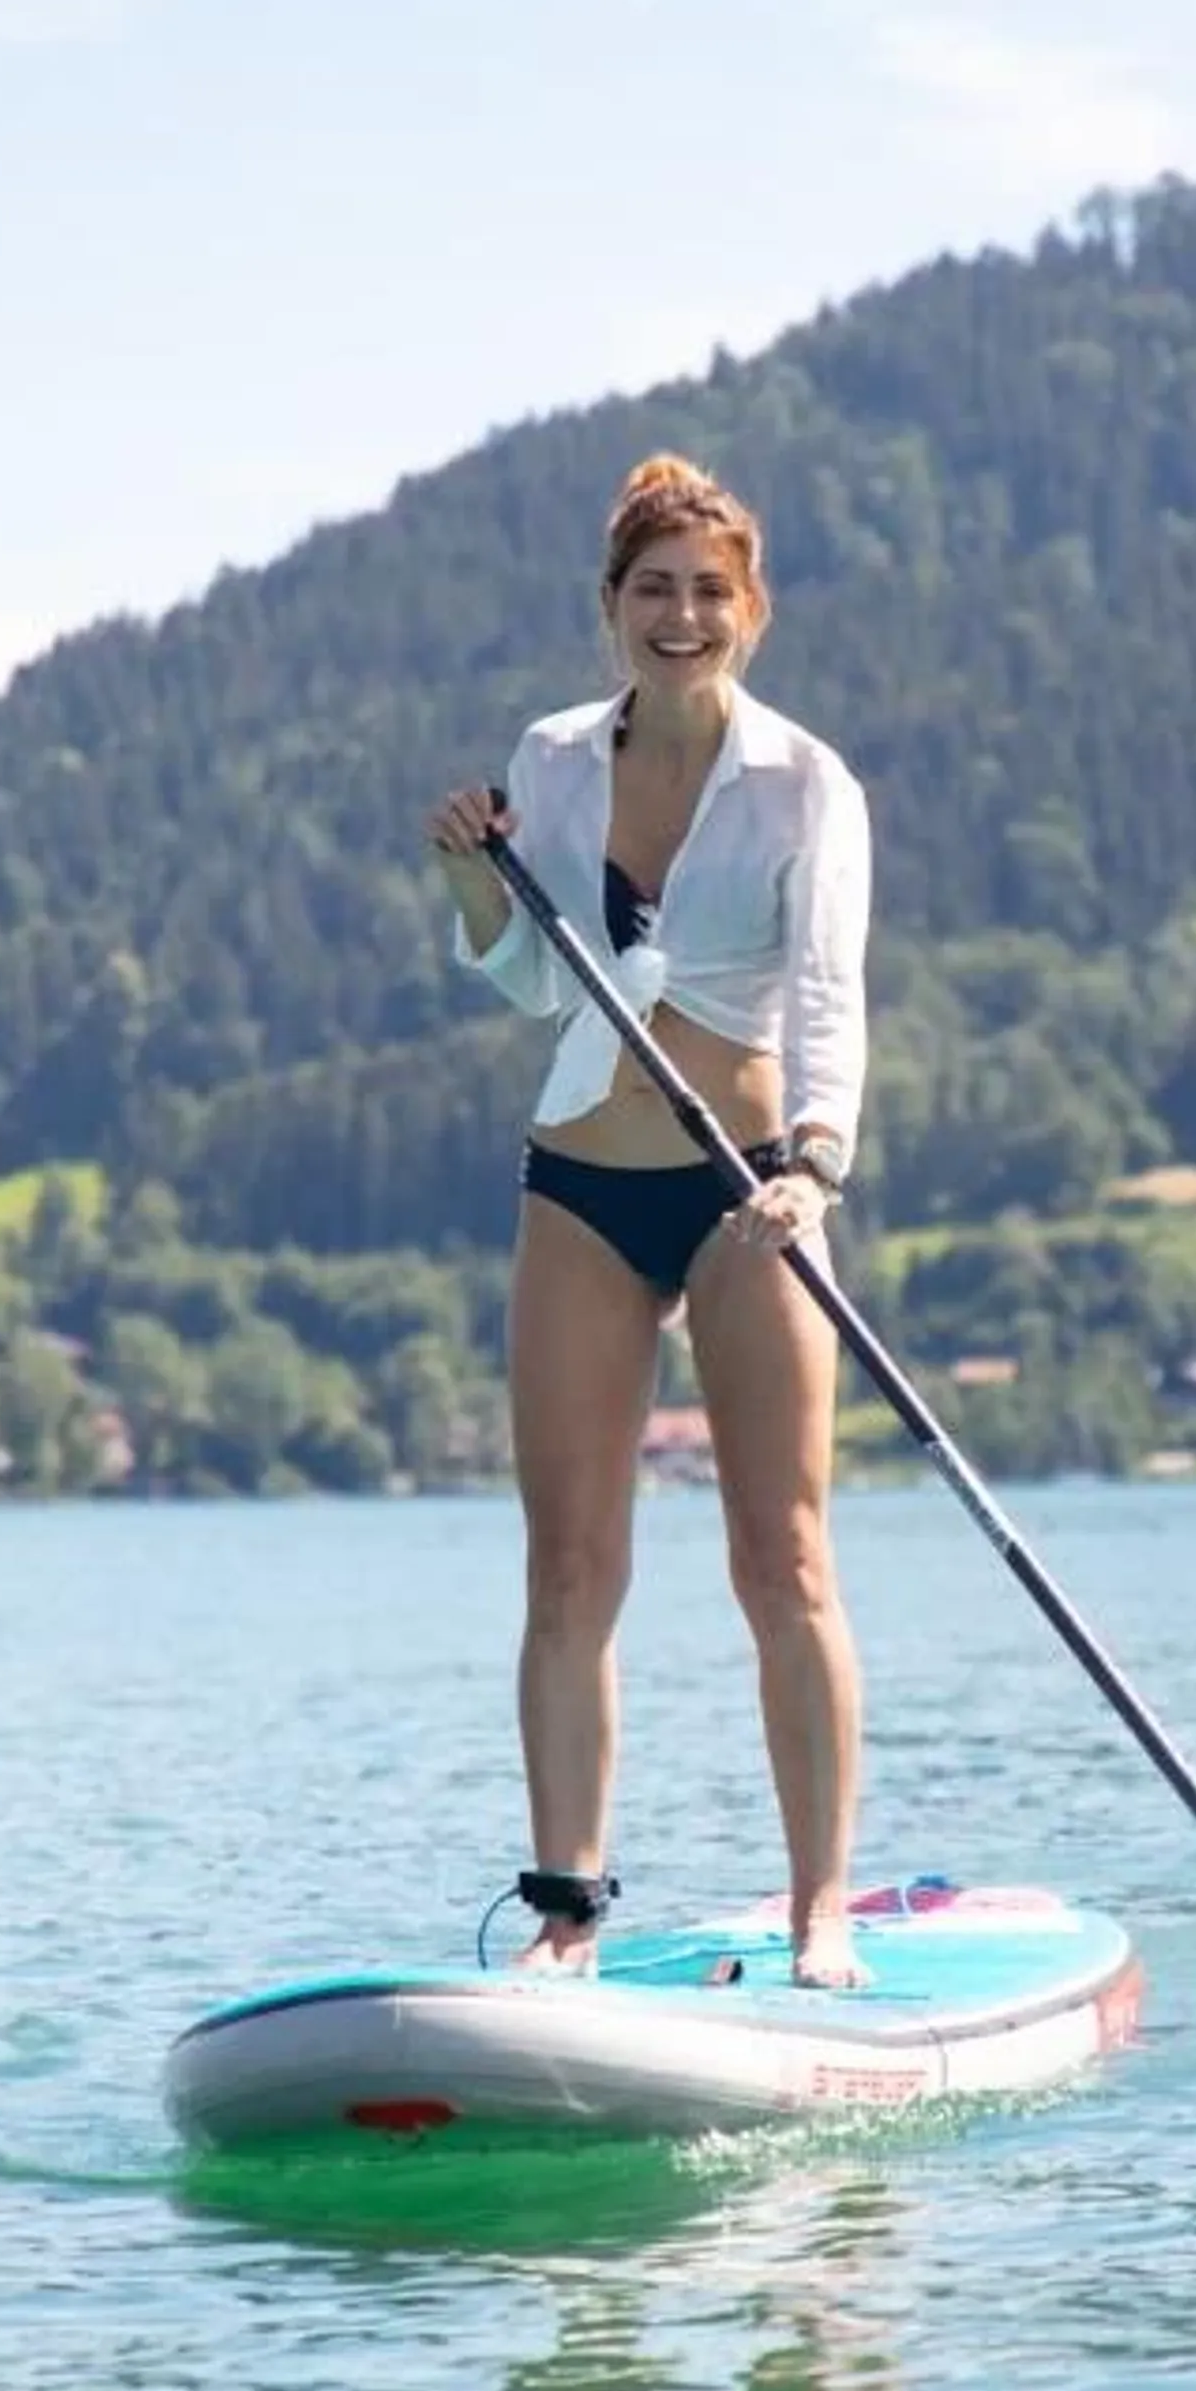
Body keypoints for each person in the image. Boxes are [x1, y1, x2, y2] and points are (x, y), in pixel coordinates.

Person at [421, 453, 878, 1986]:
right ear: (610, 609)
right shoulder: (553, 757)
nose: (680, 617)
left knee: (784, 1562)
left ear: (751, 611)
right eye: (651, 591)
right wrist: (477, 885)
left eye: (708, 592)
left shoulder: (808, 781)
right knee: (570, 1570)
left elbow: (828, 996)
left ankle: (822, 1909)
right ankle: (567, 1915)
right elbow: (535, 974)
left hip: (753, 1187)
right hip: (583, 1175)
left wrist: (815, 1159)